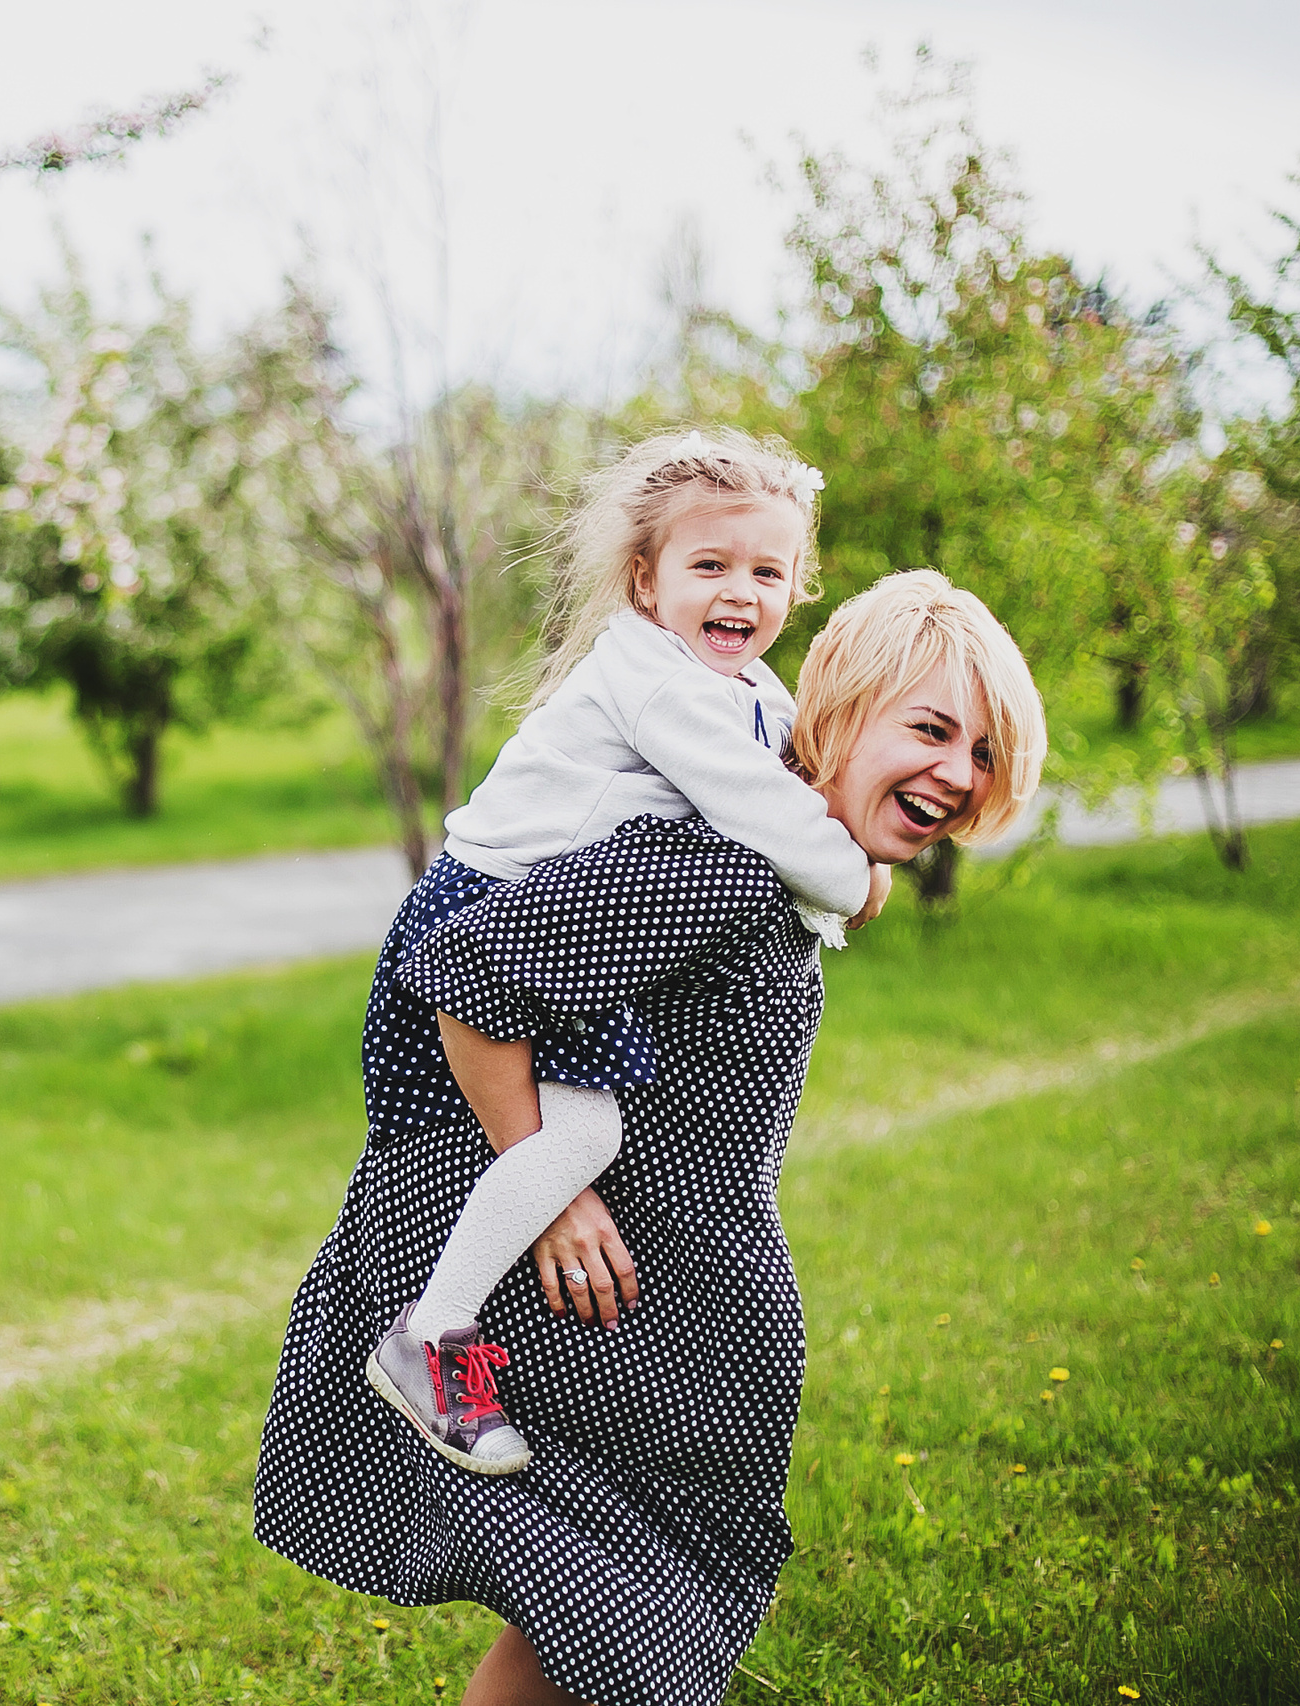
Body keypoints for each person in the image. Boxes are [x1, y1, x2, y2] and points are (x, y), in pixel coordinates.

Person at [255, 569, 1046, 1706]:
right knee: (627, 1624)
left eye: (980, 754)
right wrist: (558, 1188)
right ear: (840, 709)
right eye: (929, 730)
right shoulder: (718, 866)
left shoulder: (778, 860)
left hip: (682, 1313)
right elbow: (470, 973)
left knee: (602, 1623)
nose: (955, 775)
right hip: (608, 1308)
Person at [364, 428, 890, 1475]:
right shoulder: (656, 682)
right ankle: (432, 1332)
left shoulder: (745, 689)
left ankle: (451, 1323)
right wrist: (858, 877)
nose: (739, 590)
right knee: (575, 1145)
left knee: (585, 1137)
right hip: (481, 933)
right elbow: (768, 819)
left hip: (568, 951)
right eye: (709, 565)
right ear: (646, 583)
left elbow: (787, 781)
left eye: (767, 571)